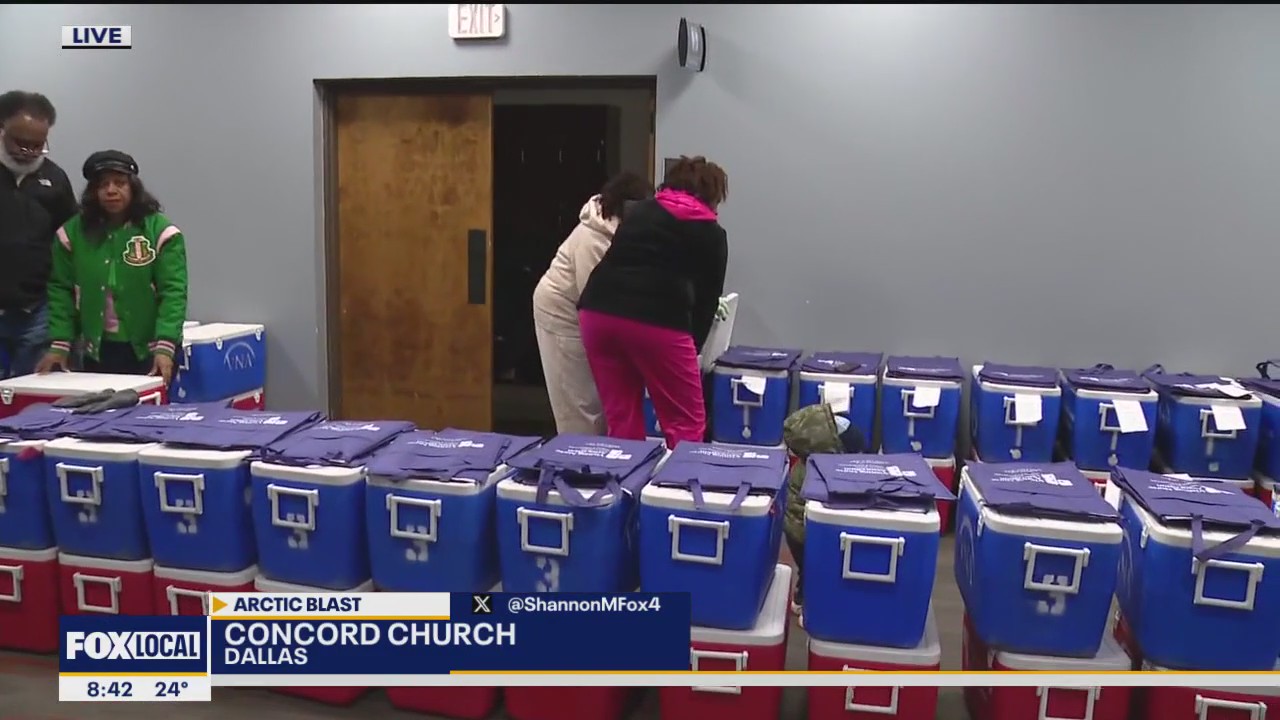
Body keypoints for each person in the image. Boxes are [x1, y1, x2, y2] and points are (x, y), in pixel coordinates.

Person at [576, 155, 729, 448]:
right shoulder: (711, 233)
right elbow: (707, 301)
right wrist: (691, 349)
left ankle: (620, 489)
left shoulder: (640, 212)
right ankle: (681, 490)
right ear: (712, 196)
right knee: (686, 422)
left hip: (597, 313)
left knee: (622, 418)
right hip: (658, 321)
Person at [35, 151, 188, 384]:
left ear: (133, 187)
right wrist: (60, 343)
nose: (111, 191)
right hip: (97, 350)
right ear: (93, 192)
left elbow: (173, 292)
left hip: (150, 350)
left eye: (120, 183)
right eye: (103, 184)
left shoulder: (161, 232)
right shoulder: (71, 234)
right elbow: (60, 289)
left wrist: (165, 346)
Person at [532, 171, 653, 435]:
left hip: (587, 312)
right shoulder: (593, 237)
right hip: (561, 314)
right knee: (579, 405)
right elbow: (598, 298)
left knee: (598, 401)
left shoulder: (625, 233)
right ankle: (576, 463)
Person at [0, 91, 78, 378]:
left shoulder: (55, 179)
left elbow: (71, 241)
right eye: (21, 143)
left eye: (38, 145)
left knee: (29, 398)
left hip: (37, 310)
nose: (29, 152)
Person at [781, 403, 866, 622]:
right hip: (805, 530)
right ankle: (811, 611)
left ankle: (799, 600)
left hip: (794, 527)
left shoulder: (808, 462)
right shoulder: (820, 476)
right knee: (817, 569)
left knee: (807, 568)